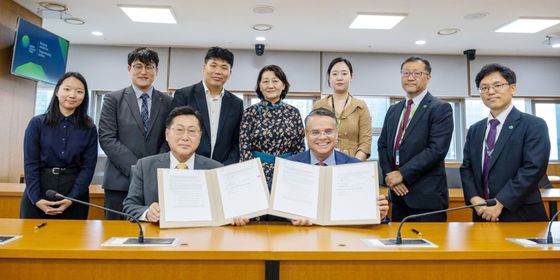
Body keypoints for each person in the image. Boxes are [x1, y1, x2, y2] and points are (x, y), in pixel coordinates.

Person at [460, 64, 550, 222]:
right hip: (482, 213)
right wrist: (474, 199)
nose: (491, 91)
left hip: (521, 213)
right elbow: (466, 168)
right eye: (484, 87)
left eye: (497, 85)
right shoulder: (475, 129)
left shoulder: (534, 125)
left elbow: (533, 168)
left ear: (512, 88)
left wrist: (500, 203)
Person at [99, 47, 172, 219]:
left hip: (155, 180)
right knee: (115, 235)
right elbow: (107, 138)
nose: (143, 72)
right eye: (138, 66)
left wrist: (151, 168)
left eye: (149, 67)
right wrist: (138, 169)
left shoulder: (169, 101)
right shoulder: (112, 99)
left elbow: (169, 139)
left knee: (152, 236)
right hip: (119, 181)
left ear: (157, 70)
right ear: (129, 69)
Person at [378, 56, 453, 222]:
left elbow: (436, 150)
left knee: (430, 246)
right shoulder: (394, 110)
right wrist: (391, 177)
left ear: (428, 77)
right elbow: (382, 145)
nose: (410, 77)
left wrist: (402, 174)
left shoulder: (440, 108)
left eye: (416, 73)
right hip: (397, 196)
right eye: (405, 73)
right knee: (399, 245)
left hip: (426, 197)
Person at [287, 108, 389, 225]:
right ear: (306, 134)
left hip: (344, 237)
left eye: (328, 131)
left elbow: (376, 217)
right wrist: (289, 217)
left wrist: (380, 215)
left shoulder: (356, 168)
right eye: (315, 132)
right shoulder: (290, 166)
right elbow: (274, 214)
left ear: (336, 133)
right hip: (301, 235)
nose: (322, 137)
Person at [123, 106, 223, 222]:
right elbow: (129, 207)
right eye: (179, 130)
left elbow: (225, 209)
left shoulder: (215, 169)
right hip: (158, 234)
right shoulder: (145, 166)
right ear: (167, 134)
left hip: (202, 235)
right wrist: (147, 212)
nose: (185, 137)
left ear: (199, 137)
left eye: (191, 131)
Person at [21, 72, 97, 219]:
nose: (72, 95)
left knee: (71, 241)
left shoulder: (89, 127)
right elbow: (30, 164)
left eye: (79, 91)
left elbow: (88, 168)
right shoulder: (37, 124)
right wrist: (36, 199)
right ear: (57, 91)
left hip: (75, 194)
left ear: (84, 96)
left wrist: (72, 198)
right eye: (67, 89)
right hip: (40, 189)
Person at [171, 46, 243, 165]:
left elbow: (236, 142)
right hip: (189, 166)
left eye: (224, 67)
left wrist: (225, 166)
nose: (218, 72)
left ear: (230, 73)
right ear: (204, 67)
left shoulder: (236, 103)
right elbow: (174, 132)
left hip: (222, 169)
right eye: (213, 65)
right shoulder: (184, 95)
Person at [239, 64, 305, 188]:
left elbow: (300, 147)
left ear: (283, 85)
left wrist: (296, 171)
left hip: (287, 171)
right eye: (265, 81)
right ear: (259, 86)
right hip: (257, 172)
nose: (270, 85)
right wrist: (251, 173)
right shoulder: (250, 112)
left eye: (275, 81)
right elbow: (244, 147)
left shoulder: (293, 112)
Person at [312, 57, 372, 161]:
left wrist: (353, 164)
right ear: (329, 78)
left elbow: (365, 142)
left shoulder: (361, 106)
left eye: (344, 73)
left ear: (351, 77)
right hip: (324, 162)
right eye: (335, 74)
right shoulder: (318, 106)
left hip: (354, 163)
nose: (339, 78)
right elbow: (313, 137)